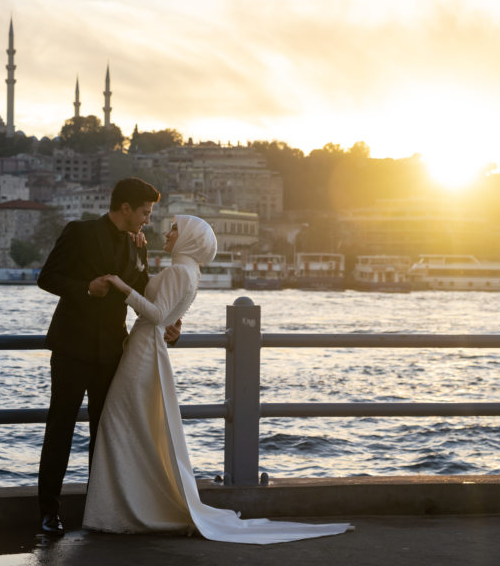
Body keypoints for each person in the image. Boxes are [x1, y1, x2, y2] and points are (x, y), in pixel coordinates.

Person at [82, 215, 353, 543]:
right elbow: (165, 312)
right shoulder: (189, 273)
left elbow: (154, 315)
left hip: (142, 352)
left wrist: (122, 288)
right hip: (148, 350)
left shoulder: (178, 272)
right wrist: (142, 268)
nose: (167, 234)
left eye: (175, 230)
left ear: (190, 240)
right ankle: (127, 507)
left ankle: (123, 509)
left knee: (117, 426)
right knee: (136, 429)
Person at [36, 177, 181, 535]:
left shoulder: (139, 246)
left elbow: (140, 296)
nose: (148, 219)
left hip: (114, 352)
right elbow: (47, 277)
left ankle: (99, 510)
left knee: (107, 432)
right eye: (145, 213)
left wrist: (166, 324)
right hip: (72, 347)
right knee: (60, 429)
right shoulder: (79, 231)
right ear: (126, 208)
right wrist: (86, 288)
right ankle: (48, 512)